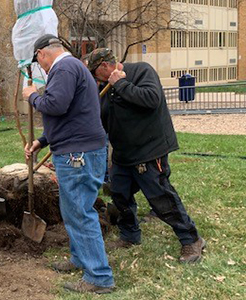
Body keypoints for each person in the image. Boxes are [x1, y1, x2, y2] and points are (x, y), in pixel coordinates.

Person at [86, 48, 205, 262]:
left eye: (95, 73)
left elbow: (151, 99)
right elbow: (102, 119)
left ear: (105, 66)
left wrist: (120, 84)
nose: (95, 79)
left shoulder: (141, 71)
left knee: (161, 197)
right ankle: (130, 235)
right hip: (123, 153)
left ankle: (191, 239)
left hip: (149, 150)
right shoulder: (104, 89)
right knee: (119, 193)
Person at [22, 34, 114, 294]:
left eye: (38, 61)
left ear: (41, 54)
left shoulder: (63, 67)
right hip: (81, 149)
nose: (41, 66)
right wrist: (42, 140)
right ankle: (80, 258)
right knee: (74, 209)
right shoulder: (75, 67)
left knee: (80, 213)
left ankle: (99, 277)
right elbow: (74, 114)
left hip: (78, 155)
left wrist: (32, 96)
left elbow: (56, 105)